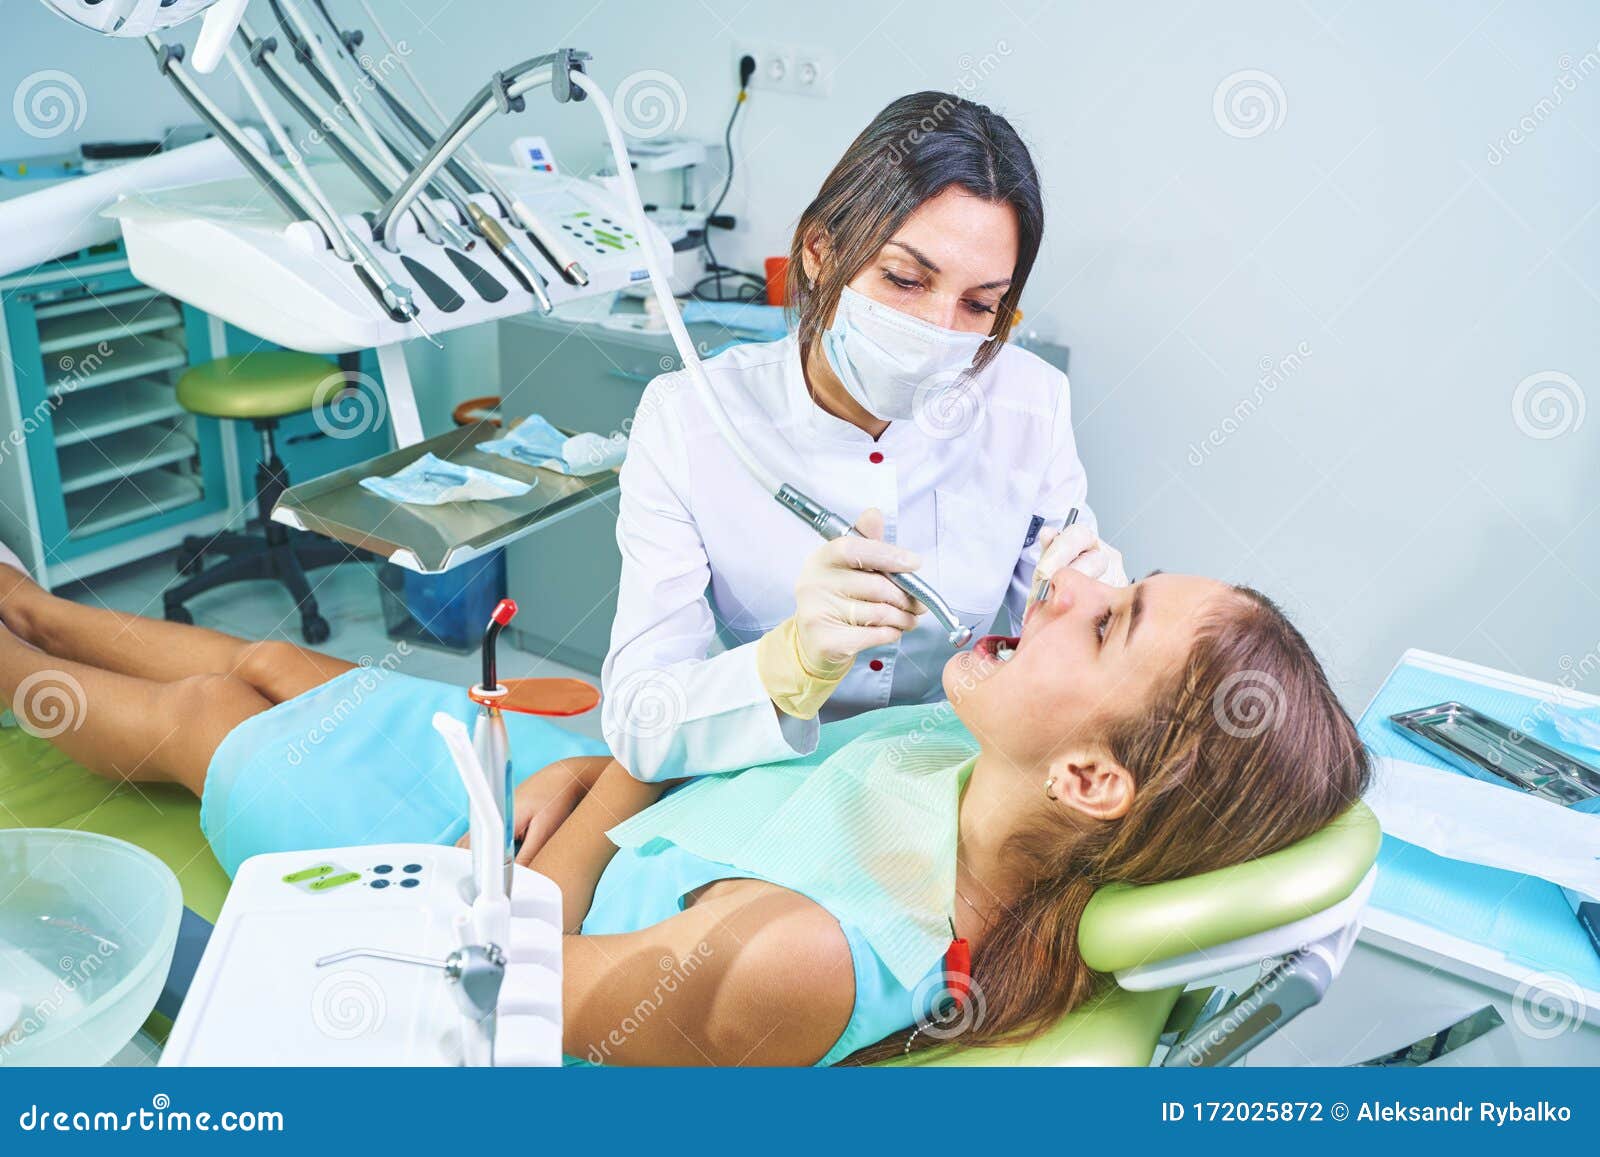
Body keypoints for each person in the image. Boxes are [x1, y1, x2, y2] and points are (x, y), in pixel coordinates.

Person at [0, 553, 1369, 1065]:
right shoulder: (952, 757)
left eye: (1110, 617)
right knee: (284, 664)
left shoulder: (816, 955)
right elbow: (722, 757)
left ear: (1090, 780)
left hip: (458, 872)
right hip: (553, 798)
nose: (1064, 582)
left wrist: (621, 772)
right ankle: (36, 602)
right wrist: (614, 762)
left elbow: (494, 985)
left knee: (207, 727)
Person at [599, 90, 1125, 786]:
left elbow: (1078, 675)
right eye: (905, 279)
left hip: (950, 773)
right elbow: (642, 721)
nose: (939, 330)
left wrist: (1101, 623)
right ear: (821, 251)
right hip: (762, 773)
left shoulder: (1030, 404)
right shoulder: (689, 419)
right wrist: (789, 661)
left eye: (978, 304)